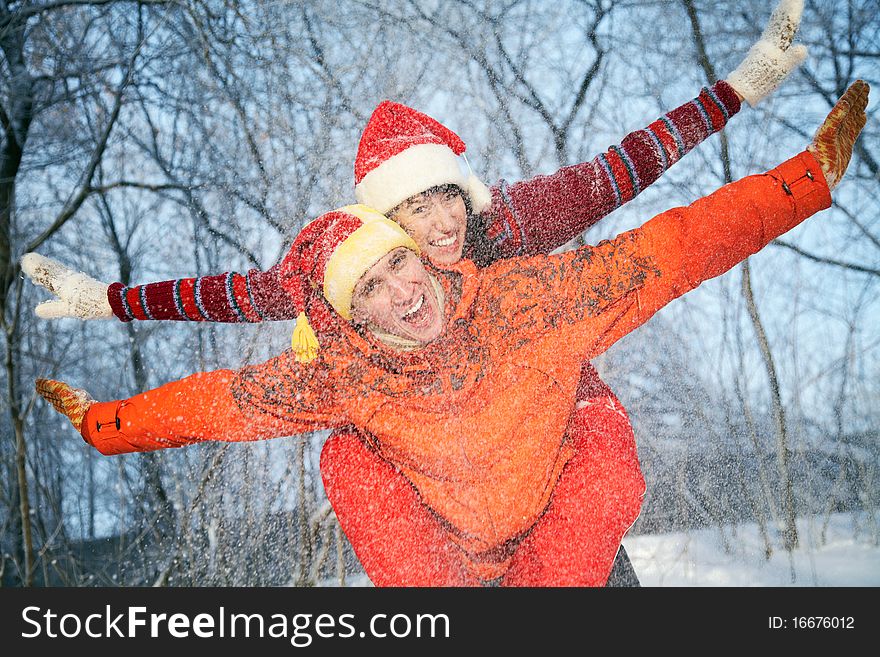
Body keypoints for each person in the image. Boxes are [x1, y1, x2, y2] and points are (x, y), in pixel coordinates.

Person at [22, 0, 810, 585]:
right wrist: (110, 300)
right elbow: (224, 295)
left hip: (545, 427)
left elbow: (624, 169)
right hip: (448, 475)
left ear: (466, 193)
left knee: (589, 482)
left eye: (446, 197)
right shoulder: (356, 282)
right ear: (381, 225)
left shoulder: (507, 226)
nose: (439, 227)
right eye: (413, 211)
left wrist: (735, 91)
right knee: (353, 446)